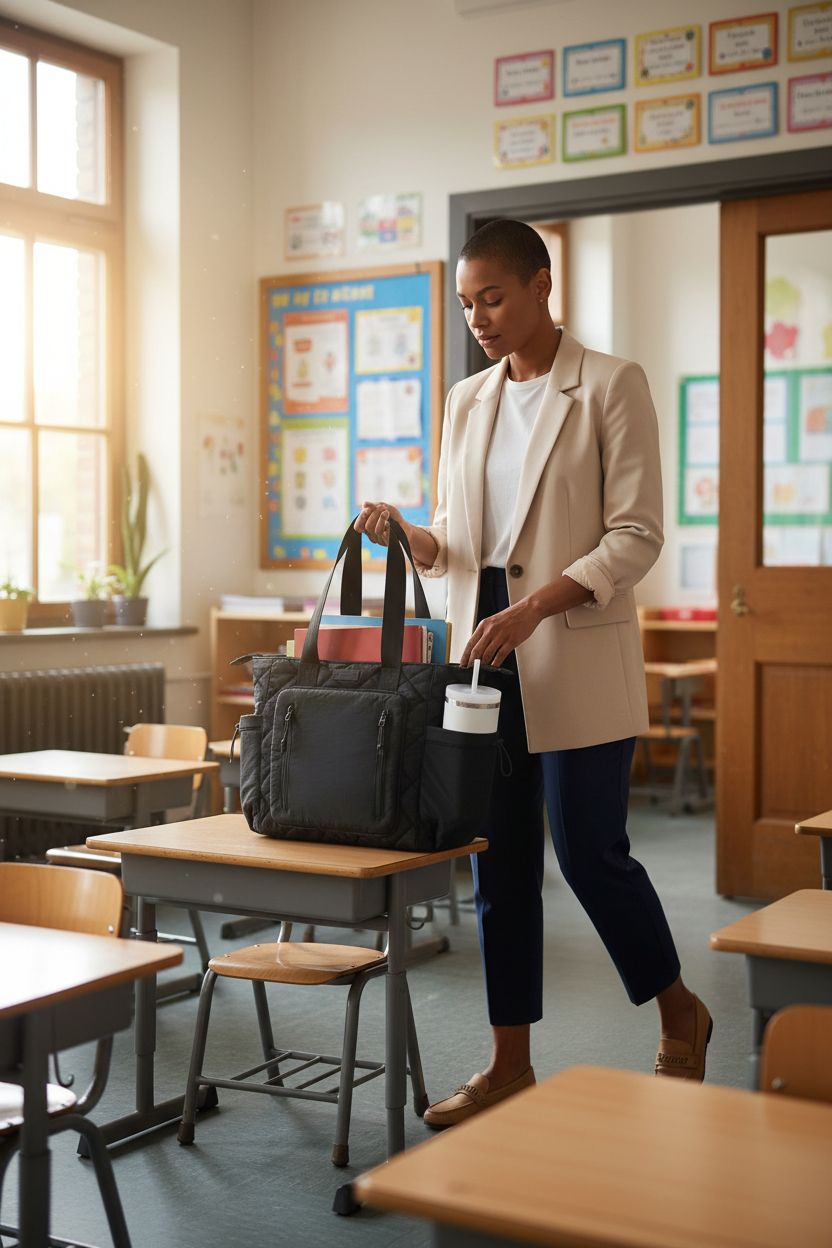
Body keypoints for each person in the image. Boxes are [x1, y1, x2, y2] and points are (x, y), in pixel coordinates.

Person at [355, 218, 712, 1129]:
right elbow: (457, 547)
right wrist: (412, 535)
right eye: (468, 301)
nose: (479, 316)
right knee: (500, 867)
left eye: (495, 296)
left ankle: (681, 1010)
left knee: (592, 856)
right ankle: (509, 1063)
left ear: (541, 284)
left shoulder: (611, 386)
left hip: (571, 655)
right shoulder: (464, 400)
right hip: (484, 667)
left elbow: (634, 536)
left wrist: (537, 607)